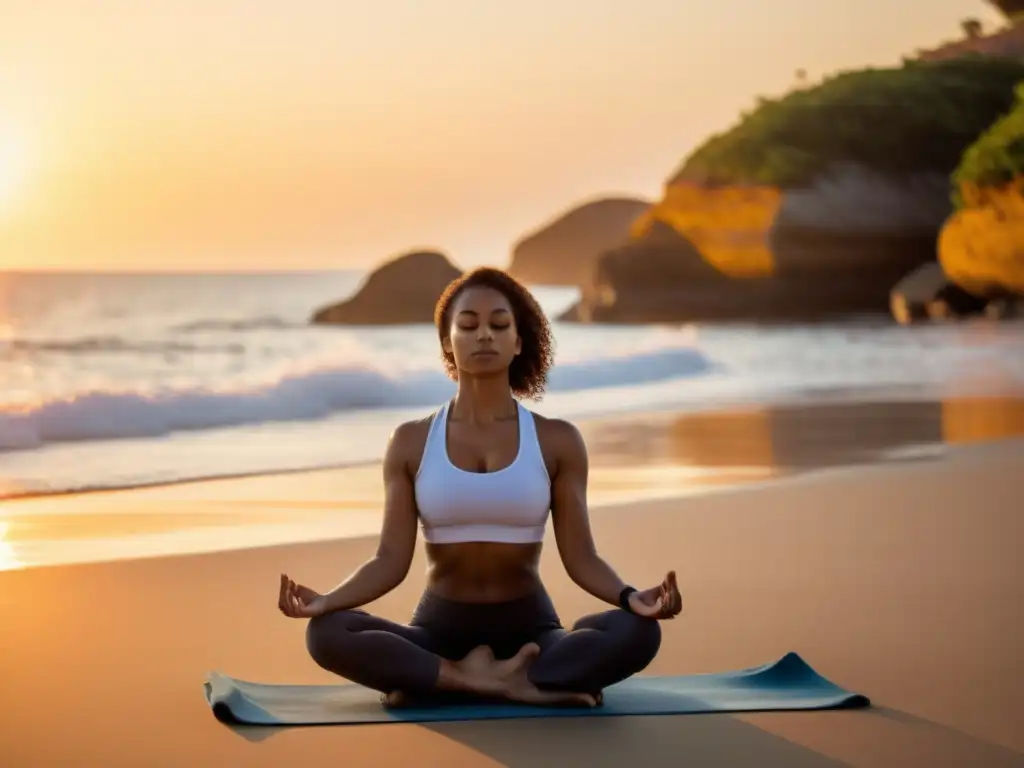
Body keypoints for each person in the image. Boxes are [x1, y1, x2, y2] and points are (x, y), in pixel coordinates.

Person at [277, 267, 682, 708]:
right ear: (447, 343)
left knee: (639, 630)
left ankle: (442, 682)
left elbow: (581, 557)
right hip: (437, 633)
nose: (484, 335)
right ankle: (494, 681)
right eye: (468, 325)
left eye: (499, 325)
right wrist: (328, 601)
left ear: (518, 341)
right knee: (327, 632)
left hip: (531, 633)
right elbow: (389, 560)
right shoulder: (411, 441)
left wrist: (630, 597)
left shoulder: (557, 440)